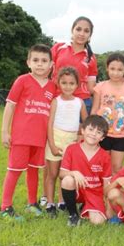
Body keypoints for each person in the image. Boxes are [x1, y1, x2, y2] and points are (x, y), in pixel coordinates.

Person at [40, 16, 98, 207]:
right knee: (50, 152)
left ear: (90, 35)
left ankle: (66, 197)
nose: (82, 33)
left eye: (86, 31)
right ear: (72, 30)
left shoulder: (91, 58)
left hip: (80, 103)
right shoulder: (58, 48)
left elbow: (91, 86)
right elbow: (47, 73)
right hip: (56, 101)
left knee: (72, 153)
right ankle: (46, 197)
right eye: (78, 29)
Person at [0, 44, 56, 220]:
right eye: (36, 60)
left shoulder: (53, 87)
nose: (40, 64)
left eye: (44, 61)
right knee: (15, 170)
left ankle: (32, 203)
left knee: (34, 170)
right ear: (28, 62)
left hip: (40, 138)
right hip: (21, 136)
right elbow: (10, 105)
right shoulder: (22, 80)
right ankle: (5, 207)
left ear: (51, 64)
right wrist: (4, 131)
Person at [44, 67, 88, 218]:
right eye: (64, 83)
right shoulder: (56, 101)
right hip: (56, 138)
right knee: (53, 173)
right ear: (58, 83)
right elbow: (49, 124)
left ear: (77, 85)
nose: (67, 86)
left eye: (71, 83)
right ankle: (50, 203)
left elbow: (85, 122)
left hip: (72, 141)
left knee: (65, 175)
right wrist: (52, 144)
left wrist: (80, 136)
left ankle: (62, 201)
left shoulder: (79, 102)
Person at [91, 53, 124, 175]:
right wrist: (91, 131)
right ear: (107, 68)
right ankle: (99, 194)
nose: (115, 73)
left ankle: (112, 194)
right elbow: (95, 109)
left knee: (117, 168)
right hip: (102, 134)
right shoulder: (100, 87)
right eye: (112, 69)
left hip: (121, 136)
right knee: (100, 167)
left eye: (119, 69)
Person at [59, 115, 112, 226]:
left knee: (98, 222)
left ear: (102, 137)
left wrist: (108, 207)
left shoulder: (105, 156)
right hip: (77, 189)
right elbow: (62, 174)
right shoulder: (72, 149)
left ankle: (86, 206)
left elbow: (107, 184)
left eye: (98, 132)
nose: (93, 134)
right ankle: (73, 214)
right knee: (67, 180)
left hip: (94, 193)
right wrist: (74, 173)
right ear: (83, 130)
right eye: (91, 129)